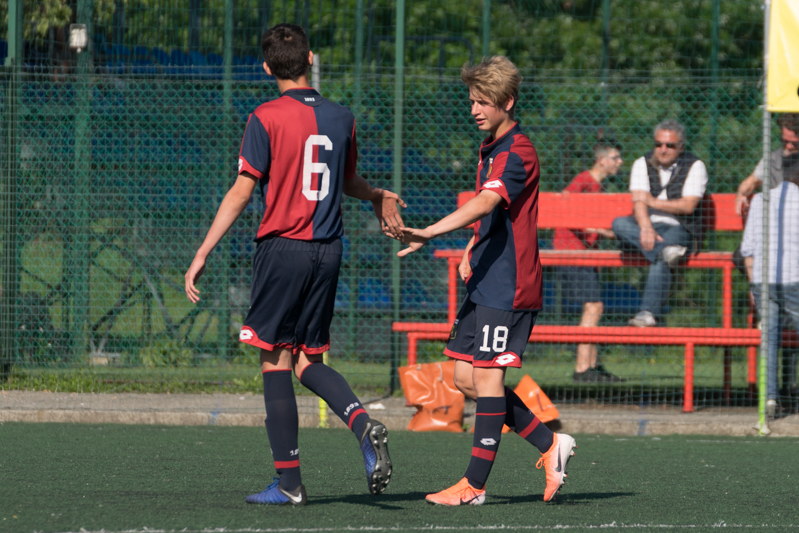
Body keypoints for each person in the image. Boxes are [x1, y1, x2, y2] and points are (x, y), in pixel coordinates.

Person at [184, 24, 404, 506]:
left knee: (275, 358)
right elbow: (344, 179)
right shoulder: (342, 117)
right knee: (309, 360)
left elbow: (243, 191)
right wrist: (375, 194)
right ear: (311, 59)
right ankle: (361, 424)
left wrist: (202, 252)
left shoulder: (264, 117)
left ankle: (289, 484)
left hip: (283, 250)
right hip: (329, 251)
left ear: (267, 68)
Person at [398, 56, 576, 506]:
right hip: (486, 278)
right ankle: (551, 443)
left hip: (509, 284)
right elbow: (495, 215)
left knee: (488, 378)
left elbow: (485, 203)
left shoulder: (518, 151)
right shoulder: (492, 147)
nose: (475, 109)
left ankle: (473, 486)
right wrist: (470, 248)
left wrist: (430, 232)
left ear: (507, 102)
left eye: (484, 101)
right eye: (472, 100)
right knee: (465, 377)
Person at [611, 120, 708, 327]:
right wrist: (646, 227)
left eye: (669, 145)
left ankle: (647, 313)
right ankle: (665, 253)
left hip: (679, 227)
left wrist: (653, 202)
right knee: (619, 224)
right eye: (658, 144)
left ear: (681, 147)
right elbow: (639, 202)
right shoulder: (642, 163)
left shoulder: (695, 166)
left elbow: (688, 206)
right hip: (645, 228)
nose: (663, 150)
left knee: (666, 252)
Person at [553, 143, 623, 382]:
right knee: (593, 307)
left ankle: (593, 364)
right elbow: (565, 204)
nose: (619, 162)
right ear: (601, 160)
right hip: (572, 252)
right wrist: (600, 230)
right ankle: (583, 368)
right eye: (615, 157)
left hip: (586, 253)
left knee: (594, 307)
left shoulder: (599, 186)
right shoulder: (584, 179)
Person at [741, 169, 799, 417]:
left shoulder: (759, 200)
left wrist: (753, 284)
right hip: (793, 279)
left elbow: (747, 249)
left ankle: (770, 399)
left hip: (763, 280)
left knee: (770, 340)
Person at [734, 113, 799, 216]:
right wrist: (741, 195)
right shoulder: (772, 159)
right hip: (778, 217)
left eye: (795, 143)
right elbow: (752, 181)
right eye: (785, 141)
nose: (789, 146)